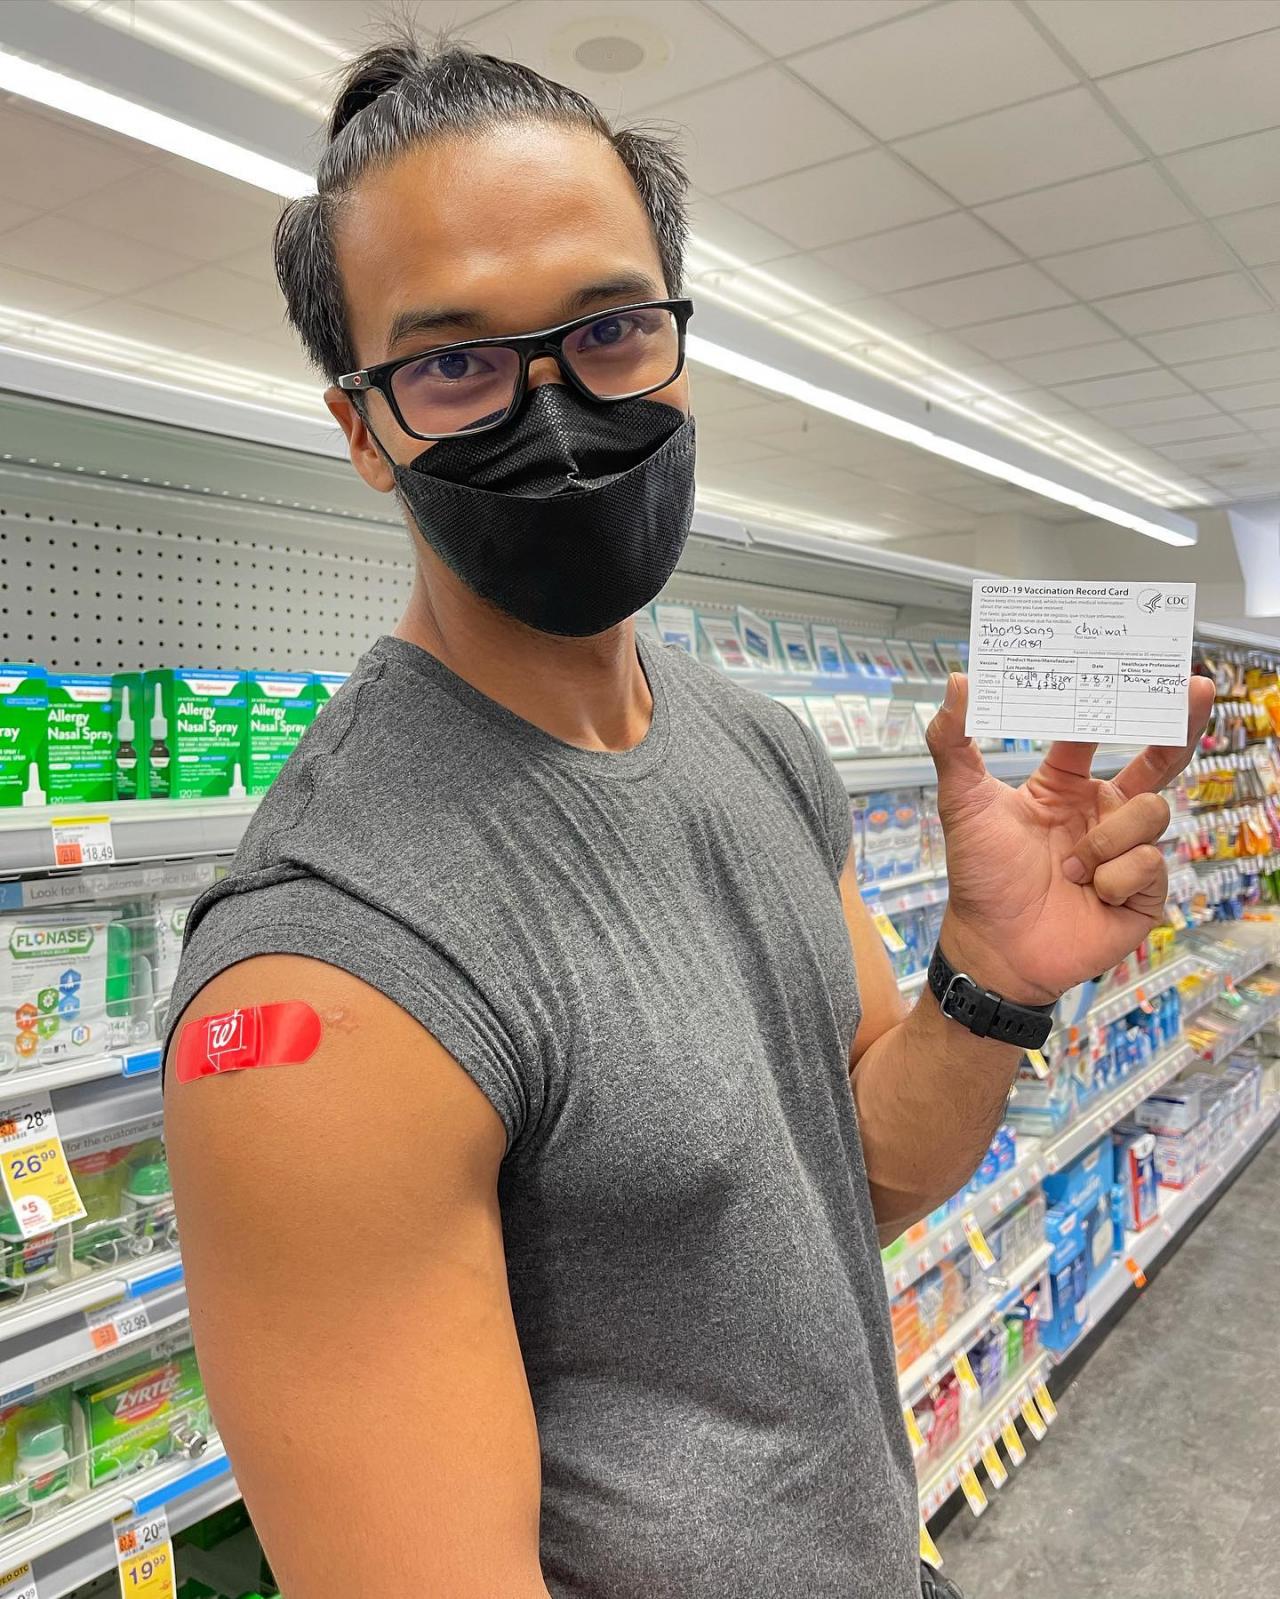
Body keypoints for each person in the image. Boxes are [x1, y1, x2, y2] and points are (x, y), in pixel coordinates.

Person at [162, 32, 1213, 1599]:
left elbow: (857, 1175)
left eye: (606, 330)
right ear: (362, 429)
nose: (555, 413)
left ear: (672, 338)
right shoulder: (332, 972)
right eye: (453, 365)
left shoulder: (756, 744)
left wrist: (992, 976)